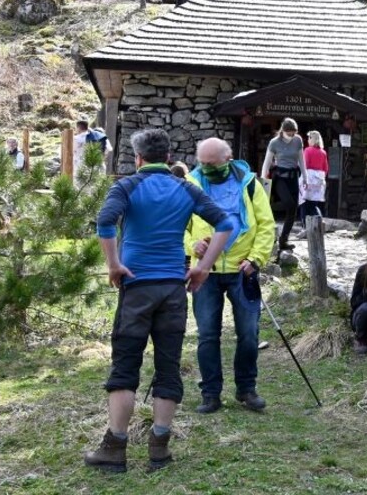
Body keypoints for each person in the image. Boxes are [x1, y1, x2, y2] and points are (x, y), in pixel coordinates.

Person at [85, 128, 235, 473]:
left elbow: (105, 221)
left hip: (137, 286)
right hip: (173, 290)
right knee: (168, 366)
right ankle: (159, 449)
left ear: (137, 158)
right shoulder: (186, 187)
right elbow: (226, 223)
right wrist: (202, 268)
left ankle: (115, 448)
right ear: (168, 157)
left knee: (125, 366)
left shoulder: (127, 186)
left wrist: (114, 264)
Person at [185, 138, 274, 415]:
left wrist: (256, 259)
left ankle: (246, 389)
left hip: (242, 270)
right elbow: (180, 225)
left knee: (248, 333)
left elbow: (266, 225)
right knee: (207, 335)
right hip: (205, 272)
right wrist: (192, 245)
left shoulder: (249, 184)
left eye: (211, 163)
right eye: (202, 163)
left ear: (228, 159)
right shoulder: (191, 184)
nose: (206, 168)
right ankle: (210, 394)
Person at [260, 118, 304, 251]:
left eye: (293, 133)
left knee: (293, 209)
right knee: (288, 203)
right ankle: (268, 212)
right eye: (289, 133)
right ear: (283, 131)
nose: (291, 136)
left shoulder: (298, 140)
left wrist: (306, 177)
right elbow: (267, 162)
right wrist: (263, 179)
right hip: (280, 178)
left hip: (293, 178)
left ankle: (283, 240)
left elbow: (302, 160)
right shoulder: (274, 142)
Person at [299, 130, 330, 221]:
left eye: (309, 138)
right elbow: (326, 168)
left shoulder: (308, 150)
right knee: (314, 204)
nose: (308, 140)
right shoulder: (323, 152)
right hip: (319, 179)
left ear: (312, 139)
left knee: (304, 203)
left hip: (308, 178)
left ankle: (305, 225)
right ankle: (318, 221)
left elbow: (305, 165)